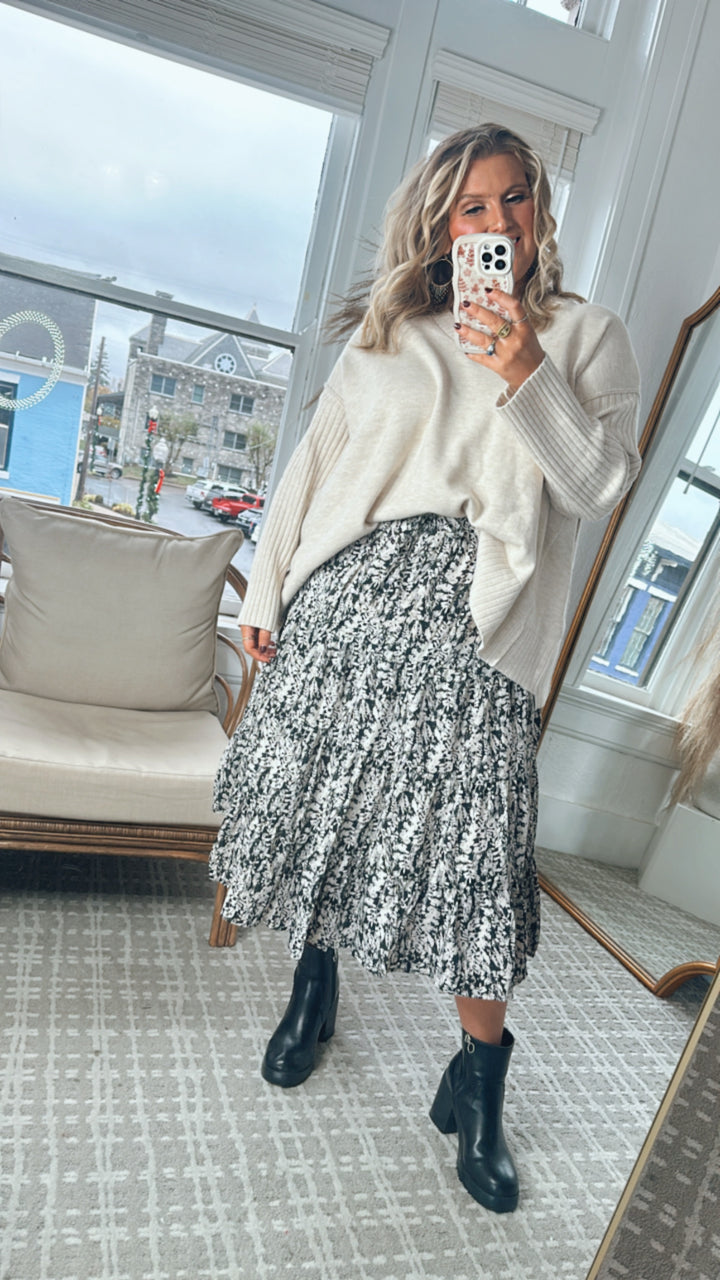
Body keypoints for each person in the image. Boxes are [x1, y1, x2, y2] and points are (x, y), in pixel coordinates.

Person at [209, 124, 641, 1214]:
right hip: (349, 595)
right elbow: (315, 463)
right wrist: (266, 589)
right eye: (472, 208)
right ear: (443, 228)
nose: (498, 223)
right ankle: (313, 981)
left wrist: (524, 368)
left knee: (478, 846)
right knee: (326, 800)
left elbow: (598, 487)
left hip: (481, 618)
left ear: (540, 212)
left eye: (515, 200)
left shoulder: (586, 337)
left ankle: (479, 1079)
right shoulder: (392, 331)